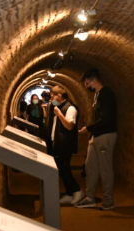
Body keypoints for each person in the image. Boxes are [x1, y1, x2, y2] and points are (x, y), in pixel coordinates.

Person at [74, 68, 117, 211]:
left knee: (105, 169)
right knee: (90, 166)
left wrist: (89, 128)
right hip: (96, 136)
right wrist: (91, 134)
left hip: (105, 135)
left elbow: (107, 119)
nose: (87, 87)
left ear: (93, 80)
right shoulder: (97, 95)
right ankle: (90, 198)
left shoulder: (107, 94)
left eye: (87, 84)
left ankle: (109, 201)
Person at [49, 85, 84, 205]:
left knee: (65, 169)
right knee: (61, 169)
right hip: (58, 143)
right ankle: (69, 193)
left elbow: (69, 126)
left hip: (65, 144)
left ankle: (77, 190)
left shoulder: (70, 108)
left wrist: (59, 114)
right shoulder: (59, 107)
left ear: (59, 95)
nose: (51, 99)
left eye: (52, 96)